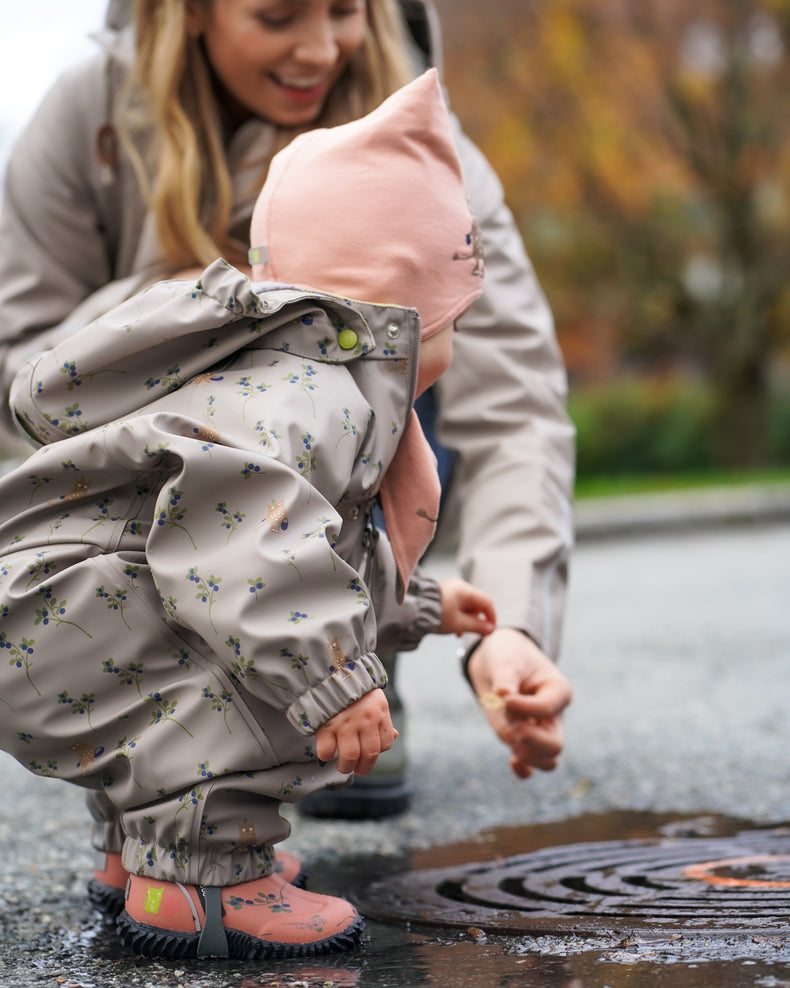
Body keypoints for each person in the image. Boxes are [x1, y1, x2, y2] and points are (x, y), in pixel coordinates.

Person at [0, 2, 572, 823]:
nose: (319, 48)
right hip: (125, 530)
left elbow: (513, 397)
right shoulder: (88, 118)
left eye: (345, 10)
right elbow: (26, 363)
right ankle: (195, 746)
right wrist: (215, 319)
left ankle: (337, 670)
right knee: (261, 449)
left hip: (322, 507)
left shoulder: (426, 148)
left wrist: (509, 624)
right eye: (276, 16)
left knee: (396, 359)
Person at [0, 68, 498, 959]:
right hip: (70, 614)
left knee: (215, 650)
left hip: (59, 620)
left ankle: (137, 857)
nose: (455, 346)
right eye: (455, 317)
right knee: (265, 683)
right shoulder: (315, 399)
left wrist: (423, 605)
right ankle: (206, 888)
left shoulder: (286, 379)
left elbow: (314, 552)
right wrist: (337, 680)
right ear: (400, 310)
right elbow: (244, 547)